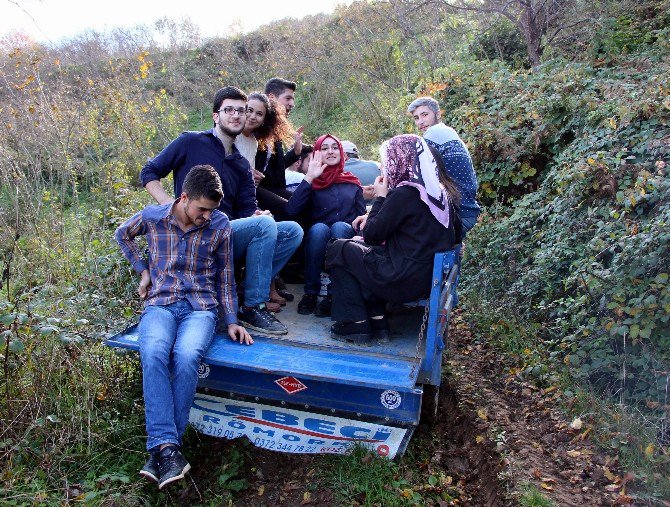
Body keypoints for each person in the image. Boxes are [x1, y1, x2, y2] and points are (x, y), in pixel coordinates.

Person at [115, 165, 253, 489]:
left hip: (201, 308)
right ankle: (170, 449)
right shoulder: (153, 216)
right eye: (202, 209)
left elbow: (225, 277)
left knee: (188, 356)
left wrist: (232, 320)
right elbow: (122, 234)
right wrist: (143, 270)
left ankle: (160, 449)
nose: (207, 216)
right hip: (161, 303)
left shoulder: (220, 225)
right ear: (184, 197)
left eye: (212, 210)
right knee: (153, 353)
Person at [140, 86, 303, 335]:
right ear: (216, 115)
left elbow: (247, 211)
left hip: (223, 235)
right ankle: (252, 307)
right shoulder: (191, 142)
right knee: (265, 226)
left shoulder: (240, 163)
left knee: (291, 231)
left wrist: (258, 216)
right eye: (229, 110)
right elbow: (149, 172)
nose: (237, 115)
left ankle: (244, 290)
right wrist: (168, 206)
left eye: (242, 110)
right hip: (193, 232)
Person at [326, 134, 461, 344]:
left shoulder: (405, 194)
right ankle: (378, 322)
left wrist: (381, 198)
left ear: (401, 160)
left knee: (339, 248)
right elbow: (457, 234)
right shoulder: (439, 194)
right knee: (357, 249)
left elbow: (371, 235)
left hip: (401, 280)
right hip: (426, 279)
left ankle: (356, 323)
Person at [286, 134, 365, 317]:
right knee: (320, 228)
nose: (330, 151)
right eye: (324, 148)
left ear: (341, 152)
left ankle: (333, 294)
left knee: (339, 226)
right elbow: (291, 210)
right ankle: (311, 293)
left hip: (345, 236)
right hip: (317, 239)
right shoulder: (311, 181)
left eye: (335, 147)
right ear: (317, 153)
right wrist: (310, 177)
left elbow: (361, 217)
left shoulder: (352, 182)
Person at [407, 96, 480, 236]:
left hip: (457, 214)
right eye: (416, 118)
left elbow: (413, 173)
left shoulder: (434, 134)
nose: (420, 122)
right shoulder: (449, 133)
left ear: (438, 114)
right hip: (466, 211)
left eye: (425, 115)